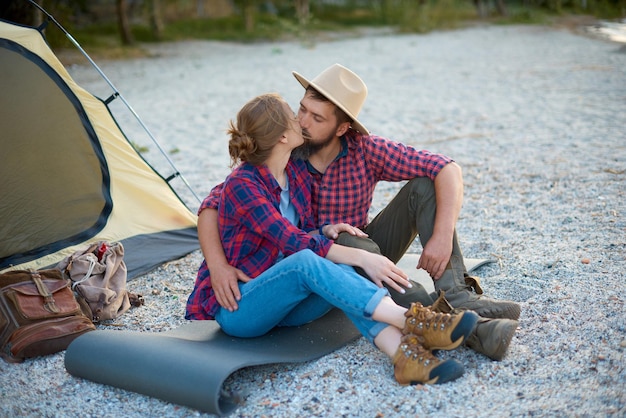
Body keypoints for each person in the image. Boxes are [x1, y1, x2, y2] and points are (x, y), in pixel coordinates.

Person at [198, 65, 520, 361]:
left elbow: (447, 168)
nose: (303, 122)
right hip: (329, 258)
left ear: (343, 128)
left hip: (359, 247)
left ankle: (456, 296)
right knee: (351, 243)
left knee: (422, 187)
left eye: (318, 118)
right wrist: (218, 265)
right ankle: (453, 323)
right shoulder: (283, 150)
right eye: (302, 110)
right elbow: (212, 205)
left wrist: (441, 237)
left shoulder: (365, 149)